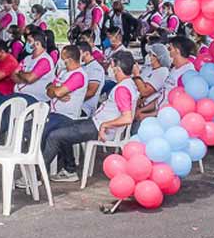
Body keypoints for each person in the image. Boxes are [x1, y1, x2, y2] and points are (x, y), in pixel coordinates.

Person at [40, 50, 139, 183]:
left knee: (54, 136)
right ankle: (70, 169)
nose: (110, 68)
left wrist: (105, 125)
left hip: (98, 127)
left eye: (112, 65)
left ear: (117, 68)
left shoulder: (122, 89)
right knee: (64, 126)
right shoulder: (130, 84)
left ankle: (37, 176)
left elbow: (127, 118)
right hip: (96, 123)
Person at [43, 45, 90, 182]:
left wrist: (56, 92)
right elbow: (49, 89)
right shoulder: (64, 72)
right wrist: (56, 91)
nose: (60, 60)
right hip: (54, 112)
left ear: (69, 59)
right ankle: (69, 168)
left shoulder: (79, 75)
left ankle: (38, 172)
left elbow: (56, 92)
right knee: (36, 125)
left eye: (62, 58)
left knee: (43, 131)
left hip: (66, 115)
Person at [134, 43, 171, 120]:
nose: (149, 57)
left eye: (151, 55)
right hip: (137, 103)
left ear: (158, 57)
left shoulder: (162, 71)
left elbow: (145, 91)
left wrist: (136, 75)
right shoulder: (149, 68)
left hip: (146, 109)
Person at [78, 41, 105, 118]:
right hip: (78, 104)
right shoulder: (83, 66)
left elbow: (91, 92)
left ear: (86, 53)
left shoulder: (95, 69)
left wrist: (75, 99)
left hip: (85, 108)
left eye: (78, 53)